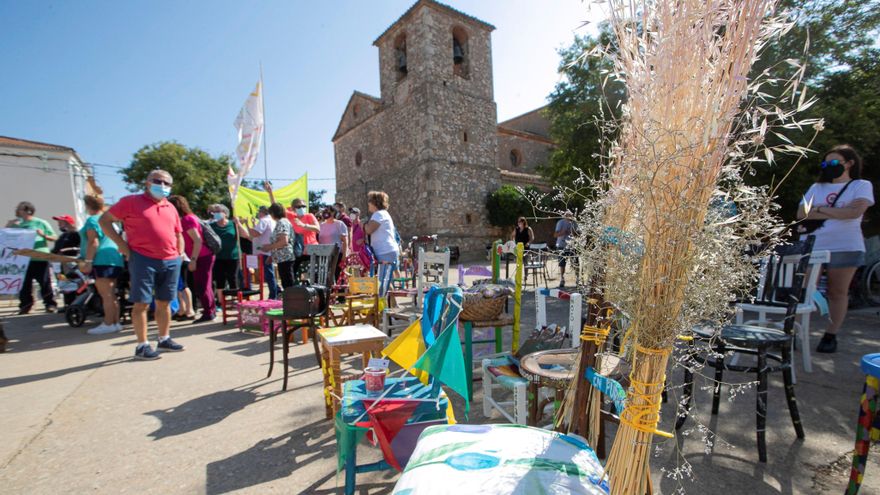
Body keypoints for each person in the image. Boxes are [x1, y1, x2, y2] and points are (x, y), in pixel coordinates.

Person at [797, 144, 874, 353]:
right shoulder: (816, 187)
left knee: (837, 292)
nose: (828, 167)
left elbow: (854, 212)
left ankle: (830, 334)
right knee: (803, 290)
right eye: (825, 163)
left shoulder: (861, 185)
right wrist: (835, 211)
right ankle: (795, 331)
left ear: (849, 163)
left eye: (833, 162)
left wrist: (819, 209)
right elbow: (802, 213)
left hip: (845, 246)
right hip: (813, 245)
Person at [101, 170, 185, 360]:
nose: (162, 185)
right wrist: (123, 247)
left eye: (167, 183)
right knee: (142, 303)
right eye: (158, 181)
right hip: (143, 259)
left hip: (170, 260)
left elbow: (178, 233)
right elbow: (105, 221)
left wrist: (179, 254)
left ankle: (164, 338)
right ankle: (142, 345)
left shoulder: (170, 207)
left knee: (164, 302)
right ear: (148, 182)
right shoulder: (130, 202)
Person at [79, 195, 124, 334]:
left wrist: (88, 261)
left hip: (101, 259)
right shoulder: (110, 221)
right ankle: (115, 322)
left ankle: (108, 323)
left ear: (87, 206)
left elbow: (94, 242)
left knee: (106, 294)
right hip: (115, 258)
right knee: (112, 293)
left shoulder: (93, 220)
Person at [168, 196, 216, 324]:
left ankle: (208, 312)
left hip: (202, 256)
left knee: (202, 285)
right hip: (202, 256)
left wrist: (193, 260)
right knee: (204, 285)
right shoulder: (190, 218)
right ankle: (210, 310)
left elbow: (197, 240)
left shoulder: (187, 220)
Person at [6, 201, 58, 314]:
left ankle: (50, 304)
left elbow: (54, 237)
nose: (17, 211)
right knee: (24, 284)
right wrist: (9, 225)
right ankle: (26, 305)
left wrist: (43, 235)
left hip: (39, 257)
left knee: (44, 282)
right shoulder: (17, 224)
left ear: (27, 210)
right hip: (23, 259)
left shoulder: (41, 222)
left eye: (19, 209)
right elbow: (6, 237)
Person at [265, 182, 319, 280]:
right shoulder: (291, 216)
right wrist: (270, 192)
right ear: (293, 208)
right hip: (298, 251)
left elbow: (318, 229)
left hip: (311, 251)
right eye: (299, 207)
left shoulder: (309, 216)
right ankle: (297, 293)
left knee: (312, 276)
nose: (301, 208)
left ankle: (314, 293)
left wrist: (304, 225)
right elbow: (276, 207)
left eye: (303, 206)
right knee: (294, 275)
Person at [208, 204, 247, 304]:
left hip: (233, 256)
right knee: (220, 279)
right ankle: (221, 302)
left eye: (218, 211)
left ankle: (235, 300)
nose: (216, 214)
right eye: (214, 212)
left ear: (225, 213)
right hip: (218, 257)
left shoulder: (233, 224)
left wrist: (238, 223)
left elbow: (246, 235)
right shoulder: (211, 226)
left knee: (233, 278)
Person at [364, 191, 399, 295]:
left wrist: (363, 224)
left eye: (369, 201)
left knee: (382, 282)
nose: (368, 204)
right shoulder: (383, 214)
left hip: (385, 251)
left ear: (374, 203)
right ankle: (391, 304)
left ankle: (382, 307)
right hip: (387, 250)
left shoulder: (378, 214)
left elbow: (369, 230)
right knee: (385, 280)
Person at [258, 203, 296, 289]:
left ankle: (292, 301)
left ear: (273, 213)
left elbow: (284, 241)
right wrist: (272, 255)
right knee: (286, 282)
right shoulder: (283, 222)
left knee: (288, 284)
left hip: (285, 258)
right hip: (282, 257)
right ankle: (290, 300)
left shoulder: (282, 223)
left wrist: (269, 247)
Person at [248, 206, 280, 299]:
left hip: (265, 251)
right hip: (271, 250)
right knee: (270, 274)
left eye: (259, 212)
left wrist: (247, 225)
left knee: (269, 274)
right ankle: (276, 291)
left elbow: (255, 234)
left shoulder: (264, 220)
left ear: (262, 212)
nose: (258, 214)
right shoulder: (272, 221)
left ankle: (273, 295)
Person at [319, 207, 348, 282]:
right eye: (325, 211)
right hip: (324, 255)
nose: (327, 213)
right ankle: (328, 291)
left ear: (334, 213)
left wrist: (344, 255)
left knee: (337, 274)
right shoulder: (321, 225)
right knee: (325, 275)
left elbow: (345, 241)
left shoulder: (339, 224)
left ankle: (340, 291)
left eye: (329, 211)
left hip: (337, 254)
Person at [555, 215, 577, 288]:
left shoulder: (574, 223)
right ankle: (562, 279)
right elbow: (555, 234)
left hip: (572, 246)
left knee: (576, 263)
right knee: (562, 264)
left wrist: (573, 232)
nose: (569, 217)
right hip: (562, 245)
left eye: (570, 216)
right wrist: (563, 232)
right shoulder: (560, 223)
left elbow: (578, 234)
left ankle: (578, 279)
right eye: (567, 216)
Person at [349, 207, 373, 274]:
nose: (352, 214)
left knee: (364, 271)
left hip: (361, 252)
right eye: (351, 213)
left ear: (358, 214)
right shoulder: (350, 225)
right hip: (352, 252)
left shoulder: (361, 224)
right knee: (354, 271)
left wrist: (362, 239)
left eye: (354, 213)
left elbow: (368, 235)